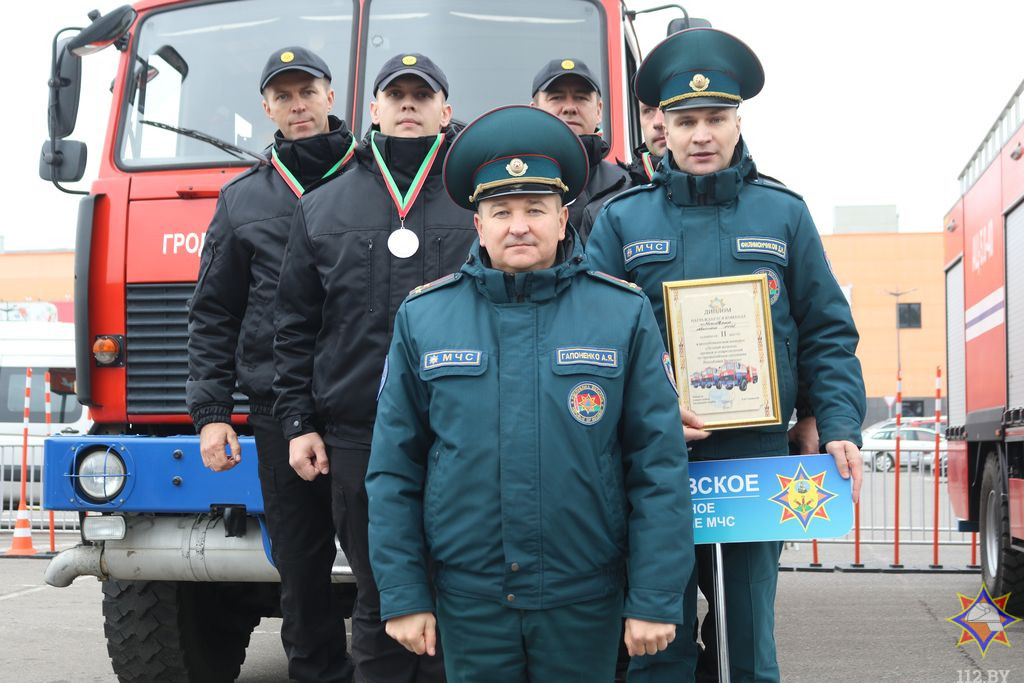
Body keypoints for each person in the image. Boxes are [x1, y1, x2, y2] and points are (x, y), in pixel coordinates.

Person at [365, 104, 694, 682]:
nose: (519, 225)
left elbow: (658, 466)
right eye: (501, 210)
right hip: (471, 602)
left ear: (564, 220)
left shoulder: (622, 312)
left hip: (583, 599)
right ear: (479, 224)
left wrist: (655, 596)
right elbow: (394, 470)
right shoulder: (425, 317)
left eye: (536, 209)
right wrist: (404, 593)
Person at [586, 28, 866, 683]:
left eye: (717, 117)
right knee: (660, 641)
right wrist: (645, 409)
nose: (702, 133)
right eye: (687, 120)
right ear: (661, 124)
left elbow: (828, 330)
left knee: (748, 646)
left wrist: (836, 419)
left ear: (738, 120)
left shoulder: (783, 213)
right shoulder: (622, 221)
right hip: (653, 460)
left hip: (755, 462)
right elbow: (592, 342)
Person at [273, 52, 475, 682]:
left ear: (446, 110)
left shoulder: (481, 198)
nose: (409, 104)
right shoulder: (323, 206)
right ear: (374, 110)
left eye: (423, 95)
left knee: (462, 587)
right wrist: (299, 422)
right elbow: (294, 327)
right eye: (397, 95)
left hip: (464, 432)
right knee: (379, 588)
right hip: (358, 435)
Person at [186, 46, 356, 683]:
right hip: (279, 412)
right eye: (282, 96)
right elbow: (214, 312)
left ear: (330, 96)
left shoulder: (368, 181)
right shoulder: (242, 201)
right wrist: (210, 413)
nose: (296, 104)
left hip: (362, 407)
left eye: (306, 91)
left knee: (384, 559)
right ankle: (316, 672)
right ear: (266, 107)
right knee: (300, 564)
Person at [530, 58, 629, 237]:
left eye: (581, 98)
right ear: (534, 110)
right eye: (557, 98)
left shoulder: (627, 186)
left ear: (599, 110)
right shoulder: (512, 184)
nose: (569, 108)